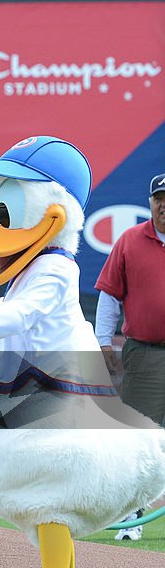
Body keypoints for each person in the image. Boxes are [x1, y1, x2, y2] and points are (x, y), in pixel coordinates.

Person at [94, 171, 165, 540]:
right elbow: (109, 297)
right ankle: (133, 517)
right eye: (159, 198)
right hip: (145, 353)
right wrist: (103, 342)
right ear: (151, 202)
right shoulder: (130, 241)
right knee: (139, 438)